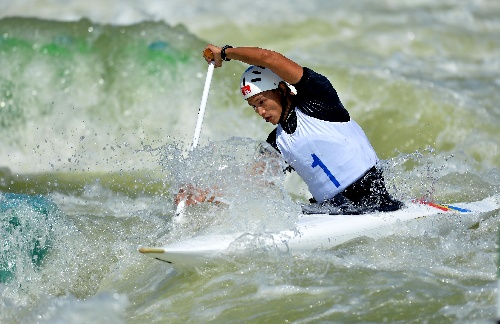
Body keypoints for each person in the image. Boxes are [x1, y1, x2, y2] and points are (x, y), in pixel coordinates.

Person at [178, 44, 402, 215]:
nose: (259, 112)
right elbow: (251, 182)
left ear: (282, 89)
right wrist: (203, 193)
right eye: (253, 106)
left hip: (375, 201)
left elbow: (269, 58)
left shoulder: (319, 101)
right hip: (332, 211)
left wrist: (226, 53)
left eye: (262, 102)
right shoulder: (276, 143)